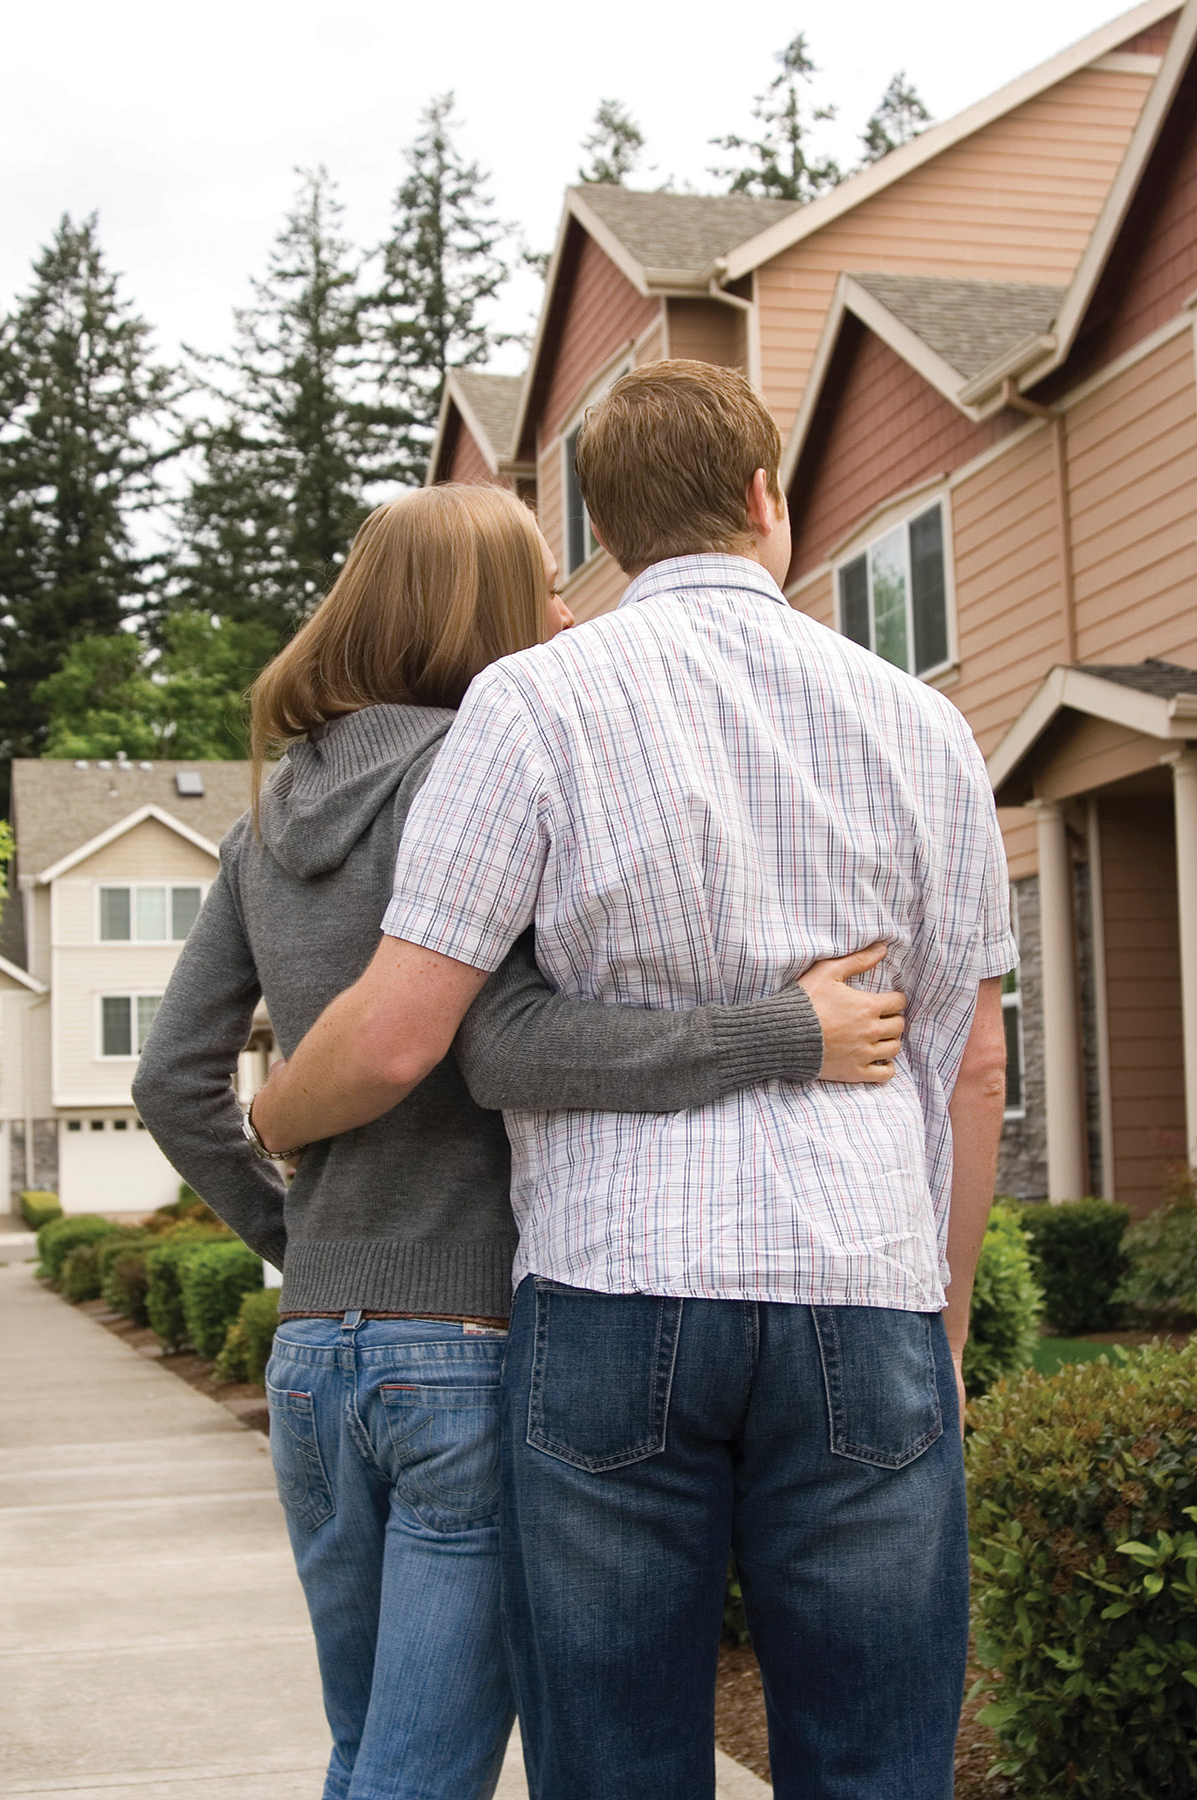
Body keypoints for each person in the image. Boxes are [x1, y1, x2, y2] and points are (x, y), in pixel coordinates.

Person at [249, 363, 1014, 1800]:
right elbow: (969, 1063)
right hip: (865, 1286)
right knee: (874, 1761)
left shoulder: (529, 706)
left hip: (611, 1288)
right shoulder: (926, 725)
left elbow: (415, 1028)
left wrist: (274, 1111)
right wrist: (946, 1324)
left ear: (602, 531)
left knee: (612, 1766)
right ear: (766, 500)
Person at [132, 479, 907, 1800]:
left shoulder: (263, 824)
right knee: (424, 1773)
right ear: (478, 616)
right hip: (470, 1357)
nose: (566, 611)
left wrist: (300, 1237)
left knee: (366, 1755)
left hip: (318, 1361)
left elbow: (167, 1084)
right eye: (542, 588)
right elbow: (525, 1040)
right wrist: (783, 1031)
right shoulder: (480, 769)